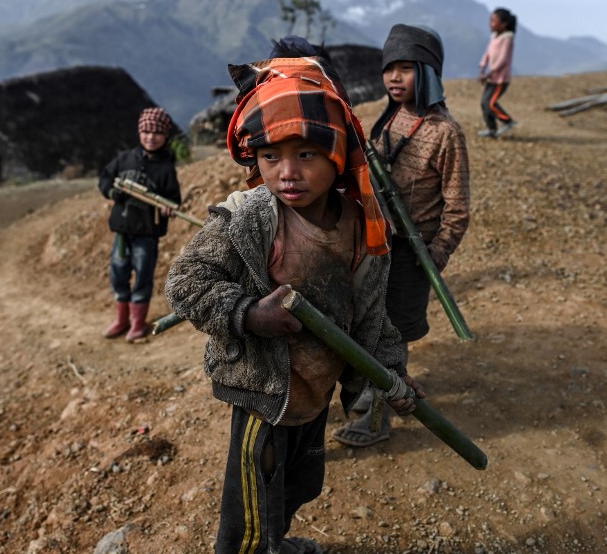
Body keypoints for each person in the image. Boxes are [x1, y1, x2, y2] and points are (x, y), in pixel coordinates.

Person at [165, 55, 424, 554]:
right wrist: (249, 313)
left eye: (306, 154)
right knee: (250, 508)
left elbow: (370, 315)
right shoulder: (250, 219)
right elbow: (186, 282)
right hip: (264, 396)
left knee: (297, 486)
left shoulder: (360, 224)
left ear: (338, 152)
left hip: (315, 393)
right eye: (269, 158)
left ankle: (276, 544)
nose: (287, 173)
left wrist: (391, 373)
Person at [332, 23, 470, 448]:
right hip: (374, 245)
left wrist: (435, 255)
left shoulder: (446, 133)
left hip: (411, 255)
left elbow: (458, 208)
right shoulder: (388, 120)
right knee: (364, 327)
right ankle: (363, 401)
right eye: (389, 68)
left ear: (427, 72)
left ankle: (373, 419)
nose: (394, 77)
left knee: (389, 335)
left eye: (406, 68)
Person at [99, 107, 182, 342]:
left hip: (147, 233)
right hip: (122, 232)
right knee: (118, 273)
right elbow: (105, 178)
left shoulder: (166, 169)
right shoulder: (125, 159)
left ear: (165, 136)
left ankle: (138, 322)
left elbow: (174, 200)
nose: (150, 137)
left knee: (143, 274)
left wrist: (168, 208)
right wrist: (112, 192)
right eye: (146, 131)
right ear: (139, 132)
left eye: (157, 132)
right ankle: (121, 319)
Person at [477, 7, 518, 138]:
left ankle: (508, 121)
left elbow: (503, 60)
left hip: (500, 79)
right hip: (491, 78)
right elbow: (488, 53)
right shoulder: (494, 37)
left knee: (491, 103)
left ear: (504, 24)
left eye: (494, 21)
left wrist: (489, 73)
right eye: (491, 20)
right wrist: (482, 66)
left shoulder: (507, 39)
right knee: (484, 103)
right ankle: (492, 130)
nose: (491, 24)